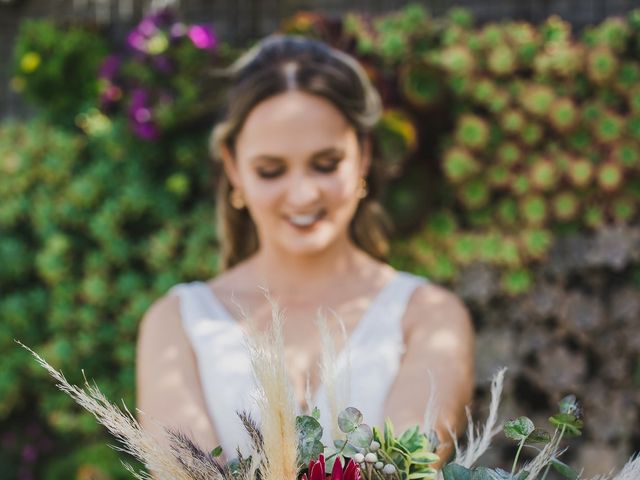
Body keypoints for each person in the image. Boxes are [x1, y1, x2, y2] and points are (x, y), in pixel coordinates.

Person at [136, 34, 475, 467]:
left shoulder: (430, 317)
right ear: (233, 169)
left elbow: (407, 467)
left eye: (326, 164)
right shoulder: (177, 324)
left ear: (364, 155)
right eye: (271, 170)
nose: (301, 194)